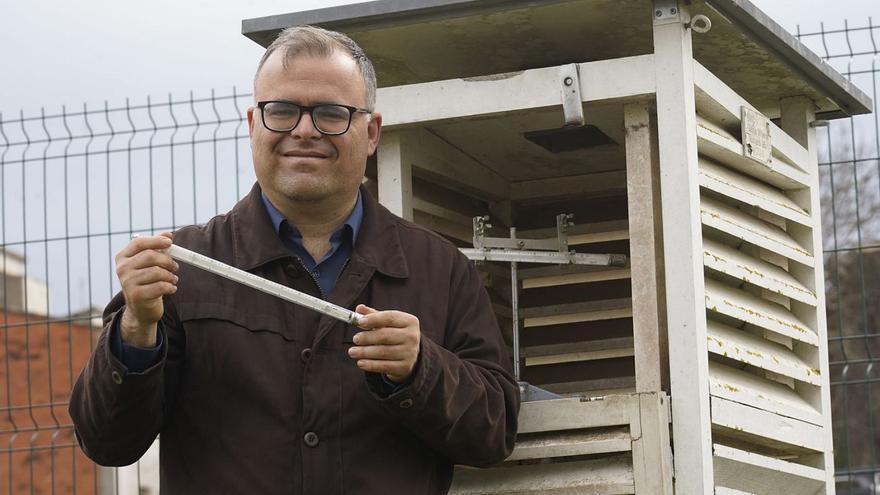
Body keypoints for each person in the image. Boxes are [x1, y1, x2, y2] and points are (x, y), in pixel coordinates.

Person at [69, 25, 519, 494]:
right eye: (282, 110)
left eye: (331, 113)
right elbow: (106, 442)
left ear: (371, 133)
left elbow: (494, 430)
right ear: (252, 124)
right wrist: (136, 332)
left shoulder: (439, 269)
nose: (304, 130)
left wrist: (419, 369)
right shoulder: (184, 270)